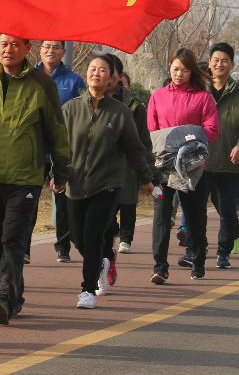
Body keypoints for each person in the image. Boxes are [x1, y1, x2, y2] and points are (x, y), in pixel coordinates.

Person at [0, 35, 70, 324]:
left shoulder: (42, 84)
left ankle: (2, 296)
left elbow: (57, 131)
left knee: (13, 239)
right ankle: (14, 295)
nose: (8, 49)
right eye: (3, 44)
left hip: (25, 177)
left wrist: (61, 171)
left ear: (27, 48)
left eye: (15, 44)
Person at [60, 54, 151, 308]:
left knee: (92, 234)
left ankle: (87, 290)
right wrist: (56, 174)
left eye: (102, 70)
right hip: (75, 184)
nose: (96, 73)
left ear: (112, 78)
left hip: (107, 184)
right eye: (92, 69)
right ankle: (101, 260)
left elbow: (135, 149)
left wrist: (146, 178)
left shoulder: (120, 112)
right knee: (77, 237)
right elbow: (59, 146)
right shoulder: (70, 109)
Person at [147, 48, 219, 283]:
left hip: (192, 165)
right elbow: (152, 130)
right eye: (176, 69)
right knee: (161, 215)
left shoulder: (203, 97)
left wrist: (187, 143)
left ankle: (198, 260)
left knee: (194, 214)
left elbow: (211, 130)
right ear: (169, 68)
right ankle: (160, 267)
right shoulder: (158, 96)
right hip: (164, 165)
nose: (179, 74)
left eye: (185, 70)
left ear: (192, 72)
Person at [204, 43, 239, 269]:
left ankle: (223, 252)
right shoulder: (198, 90)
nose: (220, 64)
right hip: (200, 161)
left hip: (230, 161)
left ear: (232, 65)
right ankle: (196, 248)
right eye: (216, 60)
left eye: (224, 60)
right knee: (196, 208)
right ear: (209, 63)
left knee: (227, 209)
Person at [36, 40, 84, 264]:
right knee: (27, 200)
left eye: (56, 47)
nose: (50, 51)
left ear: (63, 52)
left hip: (61, 150)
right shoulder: (29, 76)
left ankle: (63, 247)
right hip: (34, 149)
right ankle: (23, 249)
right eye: (46, 46)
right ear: (39, 50)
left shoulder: (74, 81)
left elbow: (81, 115)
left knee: (63, 202)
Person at [107, 56, 149, 260]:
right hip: (100, 166)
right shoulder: (85, 103)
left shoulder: (135, 107)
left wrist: (147, 173)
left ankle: (126, 238)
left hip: (127, 164)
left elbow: (143, 141)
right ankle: (110, 237)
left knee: (127, 202)